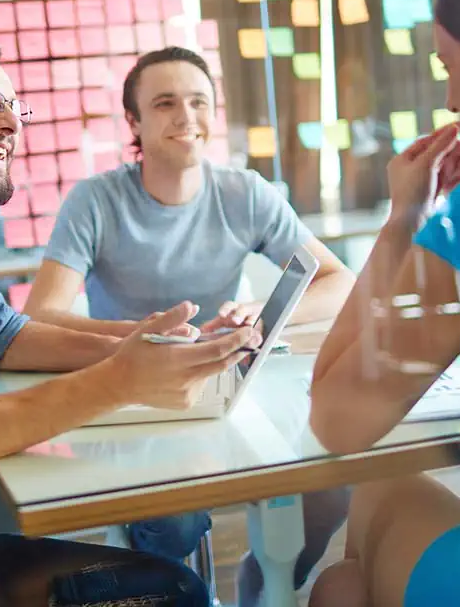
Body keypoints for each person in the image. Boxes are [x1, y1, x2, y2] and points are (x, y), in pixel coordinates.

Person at [0, 29, 262, 607]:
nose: (11, 123)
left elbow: (7, 336)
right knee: (176, 592)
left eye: (14, 106)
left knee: (174, 583)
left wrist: (143, 345)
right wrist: (117, 381)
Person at [24, 46, 355, 603]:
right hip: (135, 403)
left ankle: (257, 581)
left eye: (199, 101)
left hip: (226, 390)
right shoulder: (96, 201)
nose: (186, 116)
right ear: (133, 120)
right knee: (175, 527)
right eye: (165, 102)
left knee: (328, 489)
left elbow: (337, 280)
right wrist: (150, 337)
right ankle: (174, 590)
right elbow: (39, 317)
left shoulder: (245, 193)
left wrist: (260, 310)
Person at [309, 0, 460, 607]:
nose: (452, 98)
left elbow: (336, 417)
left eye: (450, 66)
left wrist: (404, 222)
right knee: (342, 585)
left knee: (370, 505)